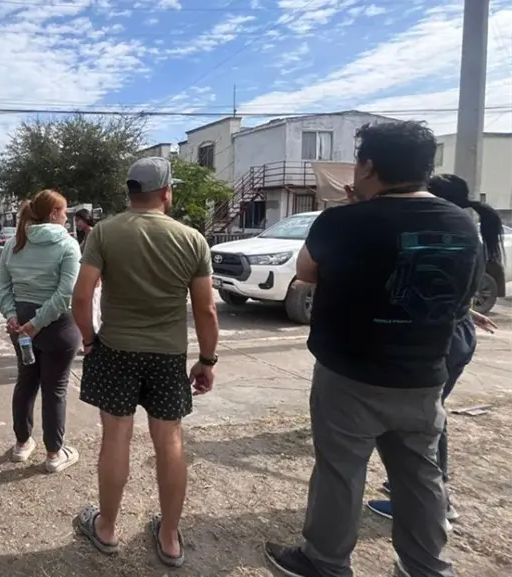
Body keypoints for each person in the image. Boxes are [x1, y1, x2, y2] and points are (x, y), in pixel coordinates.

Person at [263, 122, 483, 577]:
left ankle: (325, 560)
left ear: (369, 165)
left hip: (350, 372)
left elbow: (306, 272)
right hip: (425, 372)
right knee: (420, 474)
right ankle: (426, 566)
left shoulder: (344, 220)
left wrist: (353, 212)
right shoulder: (463, 222)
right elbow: (463, 296)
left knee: (340, 469)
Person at [71, 157, 219, 568]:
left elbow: (81, 298)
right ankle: (170, 538)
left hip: (115, 350)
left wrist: (89, 340)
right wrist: (206, 360)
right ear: (167, 191)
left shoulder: (104, 232)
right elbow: (206, 311)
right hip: (168, 356)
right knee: (169, 441)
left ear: (130, 193)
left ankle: (106, 529)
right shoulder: (192, 239)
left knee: (115, 438)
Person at [365, 173, 500, 525]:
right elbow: (438, 289)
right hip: (456, 334)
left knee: (424, 421)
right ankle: (418, 493)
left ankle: (436, 500)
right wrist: (468, 312)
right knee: (425, 417)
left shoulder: (444, 234)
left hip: (442, 339)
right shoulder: (465, 233)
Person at [0, 189, 82, 473]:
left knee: (26, 382)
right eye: (65, 211)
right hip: (57, 327)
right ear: (54, 213)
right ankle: (54, 454)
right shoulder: (68, 245)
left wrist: (13, 316)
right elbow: (64, 293)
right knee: (55, 390)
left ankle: (22, 444)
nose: (67, 216)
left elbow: (2, 285)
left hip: (20, 326)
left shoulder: (15, 242)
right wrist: (38, 323)